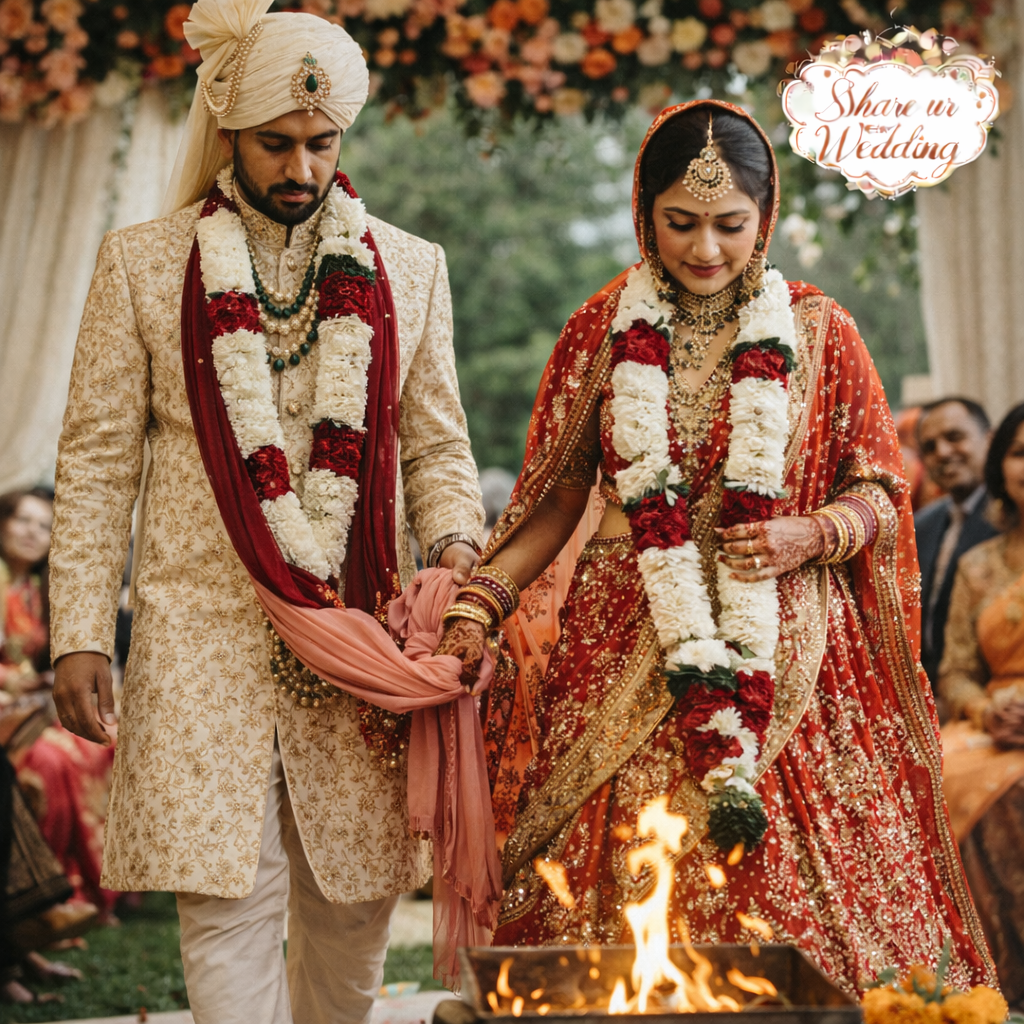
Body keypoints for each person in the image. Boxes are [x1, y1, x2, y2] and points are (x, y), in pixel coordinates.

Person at [435, 101, 994, 995]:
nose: (704, 249)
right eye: (680, 224)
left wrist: (809, 533)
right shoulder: (602, 329)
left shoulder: (818, 329)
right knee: (613, 874)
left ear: (764, 218)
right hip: (625, 621)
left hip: (776, 630)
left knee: (778, 873)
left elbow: (884, 492)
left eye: (730, 226)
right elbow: (552, 499)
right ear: (642, 213)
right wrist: (477, 606)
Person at [47, 1, 485, 1021]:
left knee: (353, 910)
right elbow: (98, 463)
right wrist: (76, 630)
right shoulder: (144, 265)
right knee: (227, 909)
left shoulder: (410, 268)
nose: (299, 169)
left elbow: (436, 445)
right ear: (227, 132)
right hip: (203, 640)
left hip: (362, 638)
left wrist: (457, 557)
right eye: (275, 145)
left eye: (320, 144)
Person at [939, 401, 1024, 1009]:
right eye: (1020, 452)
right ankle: (980, 991)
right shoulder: (978, 565)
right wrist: (983, 713)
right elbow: (957, 672)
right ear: (1003, 468)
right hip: (992, 727)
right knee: (926, 776)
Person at [0, 489, 114, 919]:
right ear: (2, 523)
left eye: (44, 526)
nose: (33, 533)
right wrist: (27, 681)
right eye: (23, 521)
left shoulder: (35, 588)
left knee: (101, 743)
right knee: (53, 761)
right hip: (11, 707)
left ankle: (92, 890)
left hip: (26, 707)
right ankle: (43, 901)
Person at [915, 398, 997, 694]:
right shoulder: (921, 525)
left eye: (954, 437)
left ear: (990, 439)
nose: (943, 453)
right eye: (930, 447)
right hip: (931, 696)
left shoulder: (1013, 518)